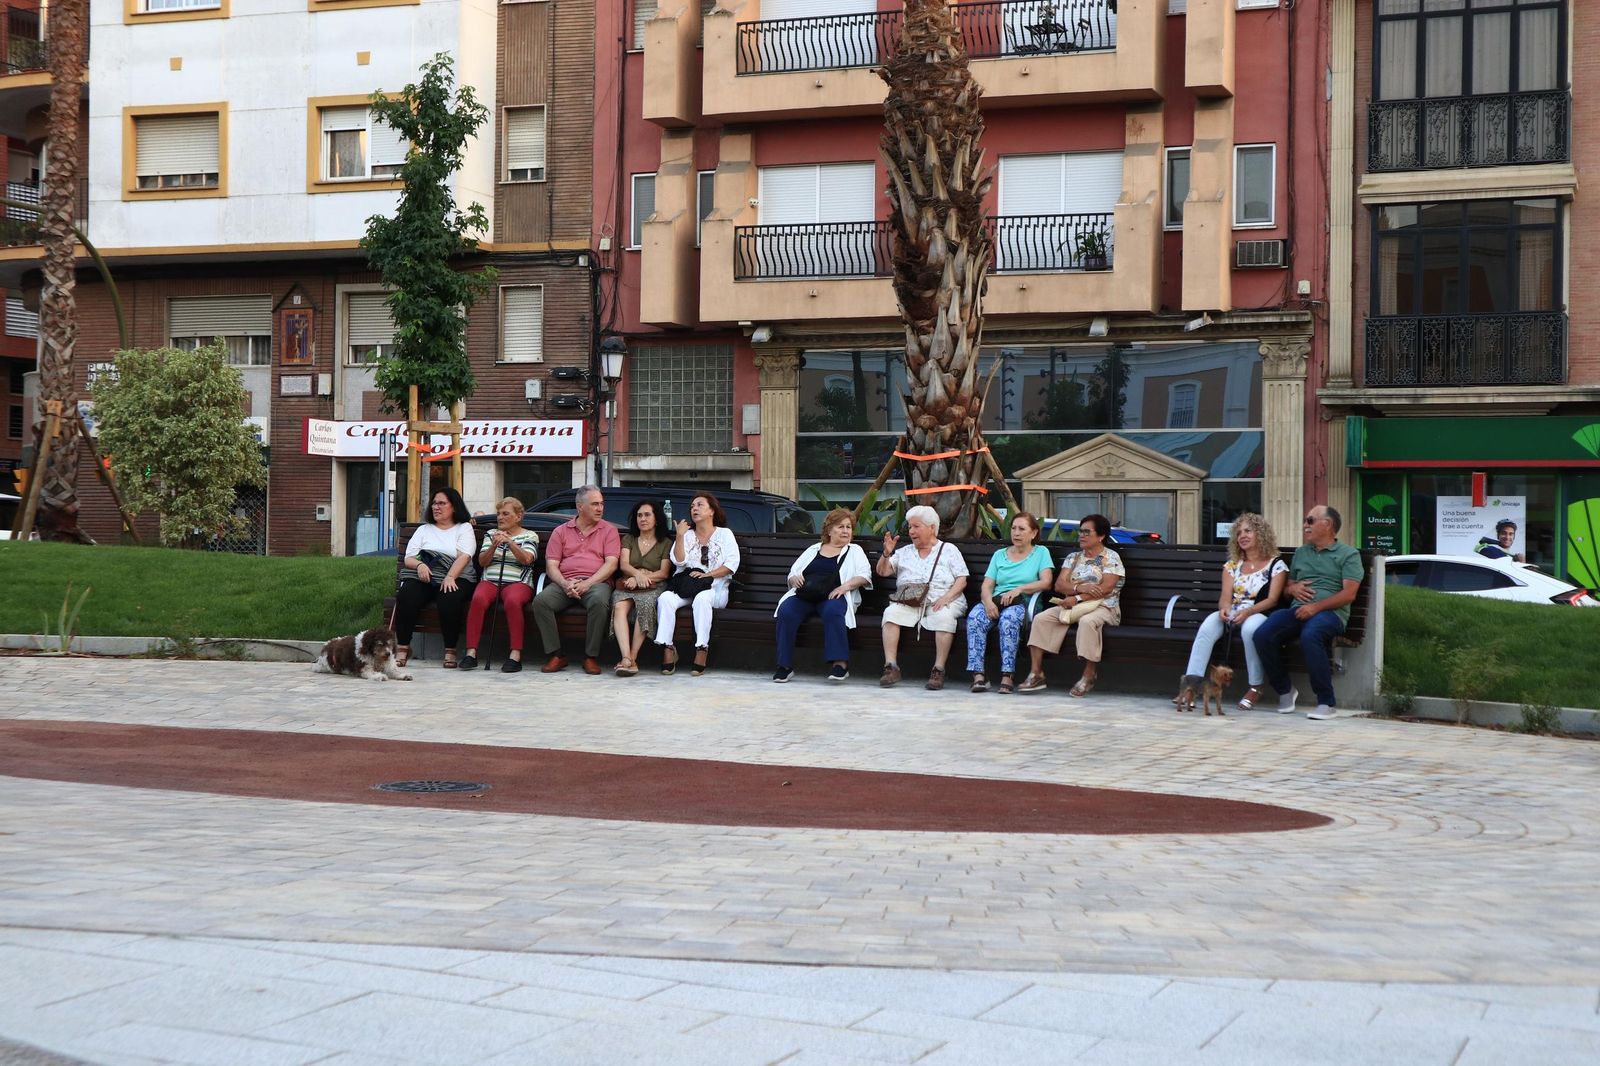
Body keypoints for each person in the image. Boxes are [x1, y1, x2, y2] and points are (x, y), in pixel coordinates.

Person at [1252, 504, 1364, 721]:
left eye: (1310, 521)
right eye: (1305, 521)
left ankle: (1326, 702)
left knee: (1311, 635)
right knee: (1263, 634)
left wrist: (1315, 607)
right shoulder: (1302, 553)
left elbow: (1349, 594)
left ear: (1328, 524)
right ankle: (1285, 690)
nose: (1305, 525)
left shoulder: (1348, 555)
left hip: (1330, 614)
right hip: (1298, 611)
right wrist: (1291, 589)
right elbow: (1287, 588)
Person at [1178, 512, 1288, 711]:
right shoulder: (1231, 565)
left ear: (1261, 534)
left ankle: (1256, 686)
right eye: (1239, 533)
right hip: (1233, 612)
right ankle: (1191, 687)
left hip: (1258, 612)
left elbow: (1272, 600)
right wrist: (1224, 609)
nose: (1242, 536)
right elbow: (1225, 597)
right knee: (1206, 628)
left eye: (1248, 531)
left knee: (1250, 630)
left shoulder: (1276, 564)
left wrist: (1248, 612)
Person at [1018, 513, 1124, 697]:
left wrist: (1077, 598)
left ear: (1101, 536)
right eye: (1080, 531)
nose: (1081, 535)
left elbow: (1105, 589)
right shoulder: (1073, 558)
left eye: (1086, 532)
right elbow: (1060, 585)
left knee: (1088, 622)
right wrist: (1080, 587)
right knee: (1042, 619)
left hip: (1104, 608)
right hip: (1071, 606)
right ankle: (1036, 673)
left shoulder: (1111, 558)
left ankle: (1089, 675)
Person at [772, 508, 873, 683]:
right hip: (806, 594)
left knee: (833, 611)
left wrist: (845, 587)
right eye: (840, 527)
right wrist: (794, 578)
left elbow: (865, 576)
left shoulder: (854, 550)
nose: (845, 531)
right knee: (786, 611)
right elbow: (793, 572)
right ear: (828, 530)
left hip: (833, 595)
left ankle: (840, 664)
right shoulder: (814, 549)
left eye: (848, 527)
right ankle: (784, 666)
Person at [876, 505, 969, 691]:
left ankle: (938, 669)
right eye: (910, 527)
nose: (911, 531)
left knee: (944, 617)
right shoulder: (904, 552)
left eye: (916, 526)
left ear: (932, 528)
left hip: (942, 599)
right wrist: (886, 553)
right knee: (891, 613)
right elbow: (883, 571)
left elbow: (962, 580)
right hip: (910, 600)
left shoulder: (949, 550)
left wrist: (947, 598)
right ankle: (891, 667)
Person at [530, 485, 621, 675]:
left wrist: (587, 583)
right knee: (541, 602)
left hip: (596, 582)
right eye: (595, 504)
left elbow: (611, 565)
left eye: (602, 504)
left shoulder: (609, 531)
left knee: (599, 601)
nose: (600, 508)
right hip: (566, 582)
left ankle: (590, 656)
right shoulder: (561, 531)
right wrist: (565, 584)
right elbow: (551, 566)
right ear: (580, 507)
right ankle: (557, 655)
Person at [965, 512, 1054, 694]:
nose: (1016, 533)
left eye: (1022, 529)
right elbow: (987, 585)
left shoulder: (1041, 553)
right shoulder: (1000, 555)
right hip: (997, 601)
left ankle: (1008, 674)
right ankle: (978, 675)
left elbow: (1046, 582)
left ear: (1034, 533)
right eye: (1014, 528)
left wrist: (1020, 589)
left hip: (1025, 602)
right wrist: (988, 602)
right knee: (975, 618)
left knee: (1008, 620)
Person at [655, 493, 741, 676]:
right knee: (665, 598)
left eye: (700, 505)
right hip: (687, 587)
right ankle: (668, 647)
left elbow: (731, 564)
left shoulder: (725, 534)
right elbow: (679, 561)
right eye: (692, 506)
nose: (694, 508)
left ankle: (702, 648)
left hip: (714, 588)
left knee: (702, 599)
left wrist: (707, 575)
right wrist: (679, 536)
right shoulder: (687, 535)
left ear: (712, 511)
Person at [391, 487, 476, 669]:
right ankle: (403, 647)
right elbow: (409, 558)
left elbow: (464, 556)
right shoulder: (424, 530)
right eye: (434, 503)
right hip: (427, 574)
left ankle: (450, 650)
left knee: (448, 596)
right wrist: (420, 565)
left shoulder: (464, 528)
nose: (436, 507)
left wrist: (450, 576)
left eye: (441, 503)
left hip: (458, 575)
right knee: (407, 594)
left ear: (454, 507)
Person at [460, 497, 540, 673]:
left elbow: (527, 559)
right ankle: (471, 653)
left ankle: (515, 654)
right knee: (478, 598)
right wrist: (493, 546)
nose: (500, 518)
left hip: (518, 582)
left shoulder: (530, 535)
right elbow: (482, 562)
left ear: (518, 516)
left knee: (512, 601)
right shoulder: (491, 534)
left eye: (505, 514)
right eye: (498, 514)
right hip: (490, 580)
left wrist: (510, 543)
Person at [611, 500, 672, 677]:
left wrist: (641, 578)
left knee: (645, 605)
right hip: (627, 584)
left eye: (647, 515)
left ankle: (633, 657)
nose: (642, 519)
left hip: (654, 586)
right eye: (639, 515)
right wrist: (636, 576)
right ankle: (626, 658)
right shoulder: (629, 539)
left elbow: (663, 573)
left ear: (657, 519)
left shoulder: (665, 543)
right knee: (619, 606)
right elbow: (624, 564)